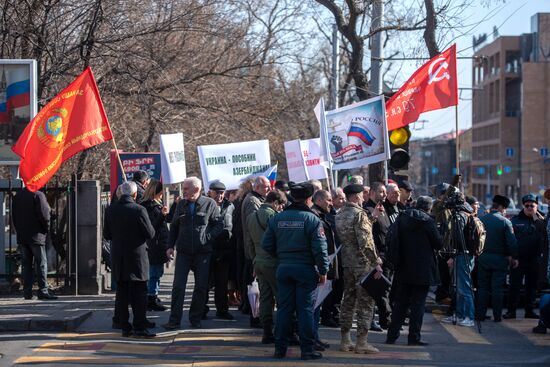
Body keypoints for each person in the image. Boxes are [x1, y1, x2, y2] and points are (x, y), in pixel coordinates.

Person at [262, 183, 329, 360]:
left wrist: (282, 257)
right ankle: (307, 349)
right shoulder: (313, 220)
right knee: (305, 310)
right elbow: (320, 250)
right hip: (305, 270)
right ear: (309, 199)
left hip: (284, 268)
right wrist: (323, 270)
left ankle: (280, 349)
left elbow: (266, 245)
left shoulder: (277, 218)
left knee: (284, 309)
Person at [163, 177, 223, 330]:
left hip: (203, 253)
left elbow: (219, 225)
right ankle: (174, 320)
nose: (183, 192)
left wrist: (207, 238)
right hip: (183, 252)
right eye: (183, 189)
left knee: (201, 287)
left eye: (186, 189)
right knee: (178, 287)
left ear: (196, 190)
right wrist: (170, 246)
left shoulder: (209, 204)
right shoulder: (181, 204)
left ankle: (195, 318)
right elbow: (175, 226)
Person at [386, 196, 442, 345]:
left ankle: (391, 336)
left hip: (403, 267)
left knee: (400, 304)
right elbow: (438, 243)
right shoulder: (428, 222)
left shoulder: (402, 218)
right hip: (423, 270)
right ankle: (413, 338)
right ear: (429, 208)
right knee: (418, 305)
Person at [103, 181, 156, 338]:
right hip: (137, 257)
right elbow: (150, 233)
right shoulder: (139, 210)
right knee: (139, 293)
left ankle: (125, 326)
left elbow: (107, 235)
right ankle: (139, 326)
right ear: (134, 195)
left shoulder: (110, 210)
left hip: (119, 256)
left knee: (122, 293)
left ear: (120, 194)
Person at [336, 183, 384, 354]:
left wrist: (373, 218)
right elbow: (365, 242)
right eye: (362, 195)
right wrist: (376, 261)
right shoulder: (359, 214)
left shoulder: (340, 214)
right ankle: (362, 342)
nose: (364, 197)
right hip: (363, 264)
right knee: (365, 302)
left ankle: (345, 340)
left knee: (348, 301)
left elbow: (352, 233)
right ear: (356, 196)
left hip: (347, 264)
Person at [247, 190, 287, 344]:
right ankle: (283, 333)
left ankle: (266, 332)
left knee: (265, 298)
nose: (281, 209)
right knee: (281, 297)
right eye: (281, 205)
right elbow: (280, 240)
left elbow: (249, 242)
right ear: (275, 203)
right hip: (273, 262)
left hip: (258, 261)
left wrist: (254, 259)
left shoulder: (251, 217)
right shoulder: (274, 217)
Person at [476, 195, 518, 322]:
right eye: (505, 208)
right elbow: (512, 243)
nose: (505, 210)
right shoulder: (505, 222)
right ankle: (497, 316)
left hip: (483, 257)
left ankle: (481, 315)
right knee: (497, 289)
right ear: (500, 207)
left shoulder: (481, 220)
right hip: (500, 259)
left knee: (482, 287)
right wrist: (514, 257)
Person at [504, 194, 545, 319]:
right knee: (514, 286)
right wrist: (510, 255)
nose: (529, 208)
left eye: (532, 205)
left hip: (535, 259)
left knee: (532, 287)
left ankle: (530, 311)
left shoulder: (541, 222)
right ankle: (511, 311)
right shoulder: (515, 220)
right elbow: (509, 240)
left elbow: (545, 235)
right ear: (523, 206)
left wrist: (536, 216)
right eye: (526, 205)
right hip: (518, 260)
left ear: (536, 206)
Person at [12, 187, 56, 300]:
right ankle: (43, 291)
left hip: (23, 236)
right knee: (41, 263)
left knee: (26, 265)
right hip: (36, 235)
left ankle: (27, 292)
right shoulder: (38, 195)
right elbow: (45, 215)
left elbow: (14, 217)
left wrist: (19, 230)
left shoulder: (18, 196)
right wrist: (46, 229)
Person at [440, 192, 477, 327]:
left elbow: (457, 239)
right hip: (465, 255)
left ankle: (469, 316)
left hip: (463, 255)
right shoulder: (466, 214)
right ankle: (460, 315)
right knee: (460, 287)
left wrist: (452, 256)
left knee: (464, 288)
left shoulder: (460, 216)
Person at [241, 175, 271, 327]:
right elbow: (254, 228)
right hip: (254, 250)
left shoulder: (256, 199)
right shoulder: (253, 201)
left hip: (254, 249)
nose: (269, 189)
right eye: (266, 186)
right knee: (256, 287)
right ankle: (256, 316)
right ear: (257, 187)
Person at [311, 190, 338, 349]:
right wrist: (322, 269)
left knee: (317, 305)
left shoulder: (321, 216)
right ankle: (312, 338)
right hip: (318, 268)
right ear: (319, 200)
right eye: (328, 200)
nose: (331, 203)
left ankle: (315, 336)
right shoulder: (315, 216)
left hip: (324, 266)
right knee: (314, 305)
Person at [206, 180, 235, 320]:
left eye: (222, 193)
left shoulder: (230, 206)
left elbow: (232, 226)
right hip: (208, 249)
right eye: (217, 192)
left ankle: (222, 309)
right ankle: (202, 309)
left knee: (222, 283)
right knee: (204, 282)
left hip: (224, 250)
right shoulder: (204, 204)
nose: (220, 195)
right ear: (210, 192)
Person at [140, 179, 170, 312]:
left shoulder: (156, 204)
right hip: (154, 245)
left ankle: (154, 295)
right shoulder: (148, 206)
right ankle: (150, 298)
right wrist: (162, 216)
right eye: (160, 192)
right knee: (154, 273)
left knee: (158, 272)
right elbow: (152, 228)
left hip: (160, 244)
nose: (162, 195)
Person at [364, 181, 390, 331]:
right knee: (375, 291)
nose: (384, 195)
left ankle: (384, 319)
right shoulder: (368, 211)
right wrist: (375, 260)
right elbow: (369, 237)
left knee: (383, 290)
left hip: (385, 255)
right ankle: (374, 320)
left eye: (385, 192)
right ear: (372, 193)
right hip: (375, 257)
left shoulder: (382, 209)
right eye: (381, 192)